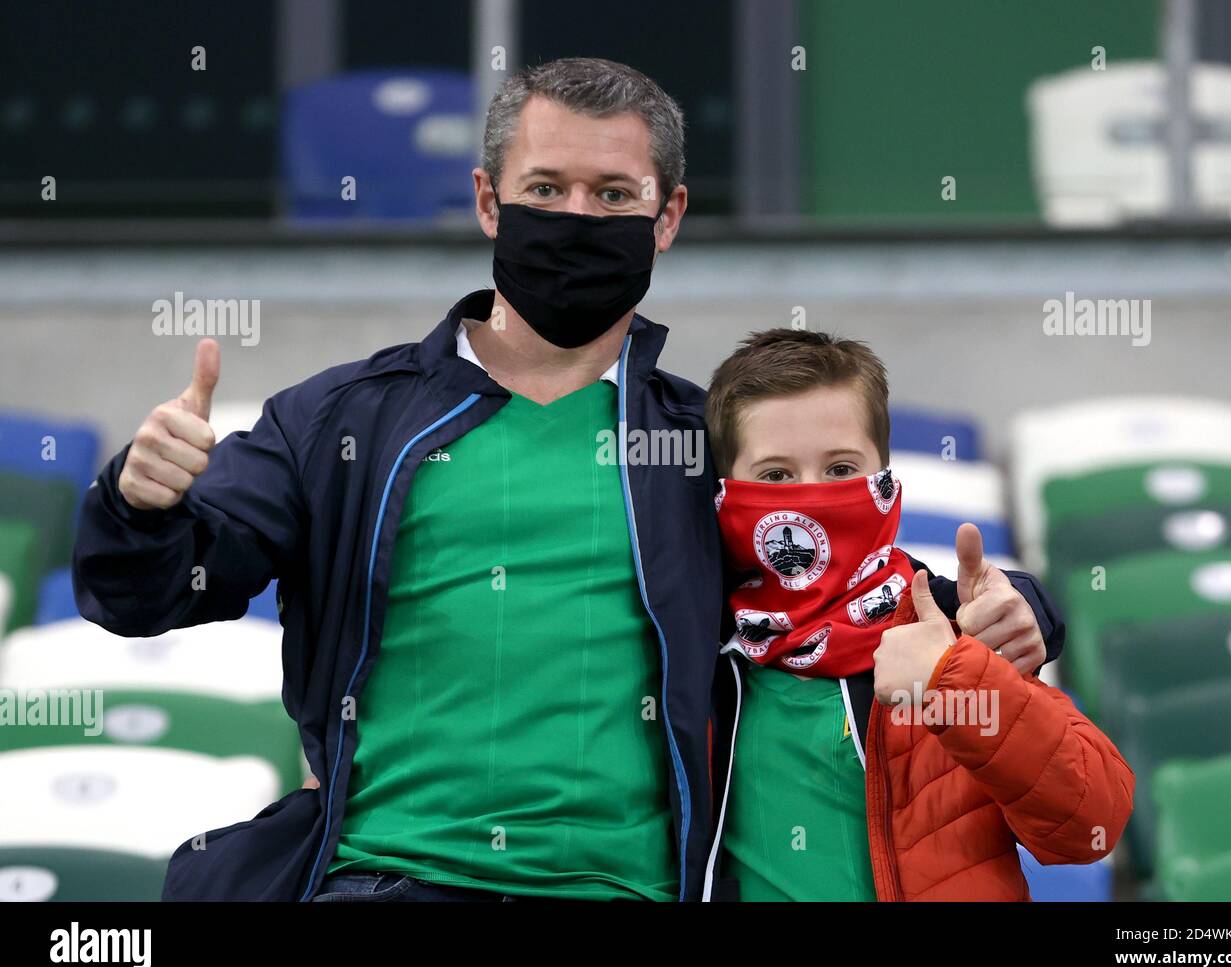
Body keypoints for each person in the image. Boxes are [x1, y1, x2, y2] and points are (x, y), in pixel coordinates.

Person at [73, 58, 1064, 902]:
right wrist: (139, 498)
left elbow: (857, 592)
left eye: (613, 195)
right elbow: (147, 593)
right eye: (545, 189)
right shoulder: (341, 421)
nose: (577, 217)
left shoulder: (700, 443)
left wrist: (1019, 607)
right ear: (486, 200)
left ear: (667, 215)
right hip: (388, 880)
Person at [703, 329, 1135, 901]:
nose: (809, 496)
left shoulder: (952, 633)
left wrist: (952, 682)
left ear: (885, 477)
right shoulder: (693, 647)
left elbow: (1090, 823)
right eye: (776, 475)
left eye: (840, 469)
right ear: (727, 491)